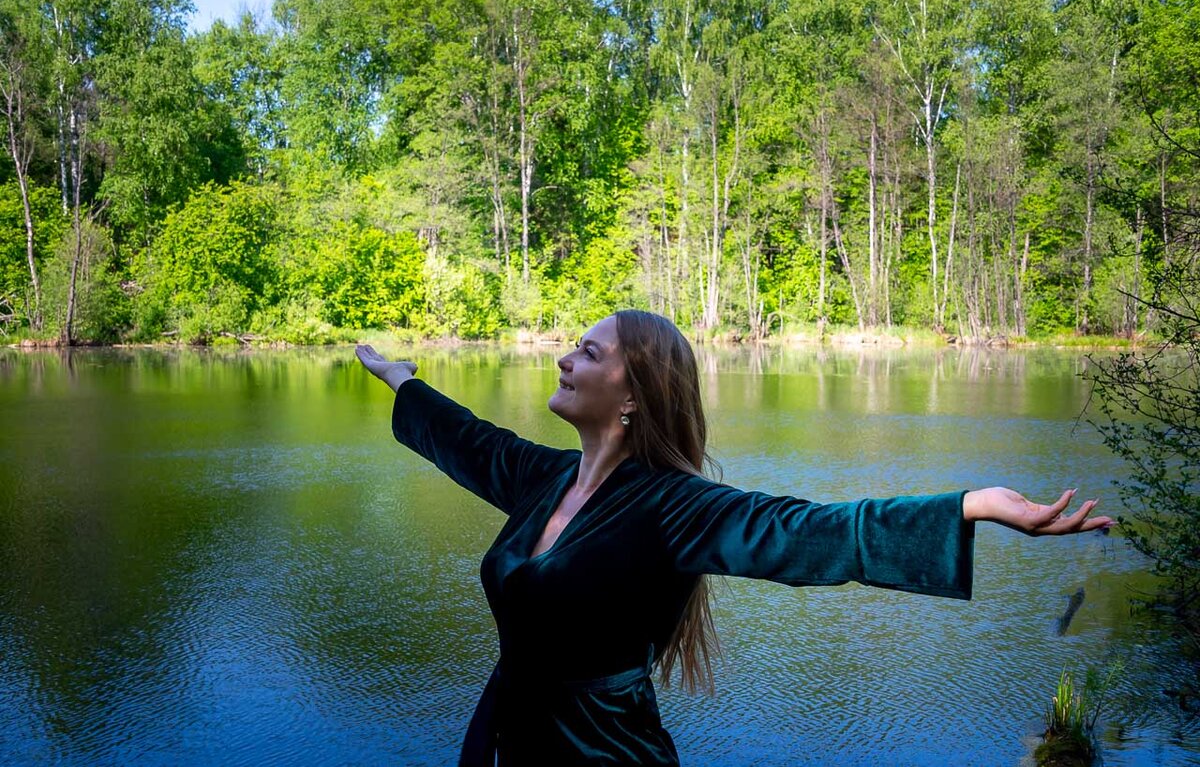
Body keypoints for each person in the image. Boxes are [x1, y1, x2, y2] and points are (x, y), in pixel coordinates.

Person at [355, 309, 1113, 766]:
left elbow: (812, 532)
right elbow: (468, 440)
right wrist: (402, 380)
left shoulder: (673, 506)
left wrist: (966, 505)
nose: (564, 356)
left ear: (632, 394)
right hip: (509, 739)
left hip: (602, 753)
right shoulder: (540, 477)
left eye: (588, 351)